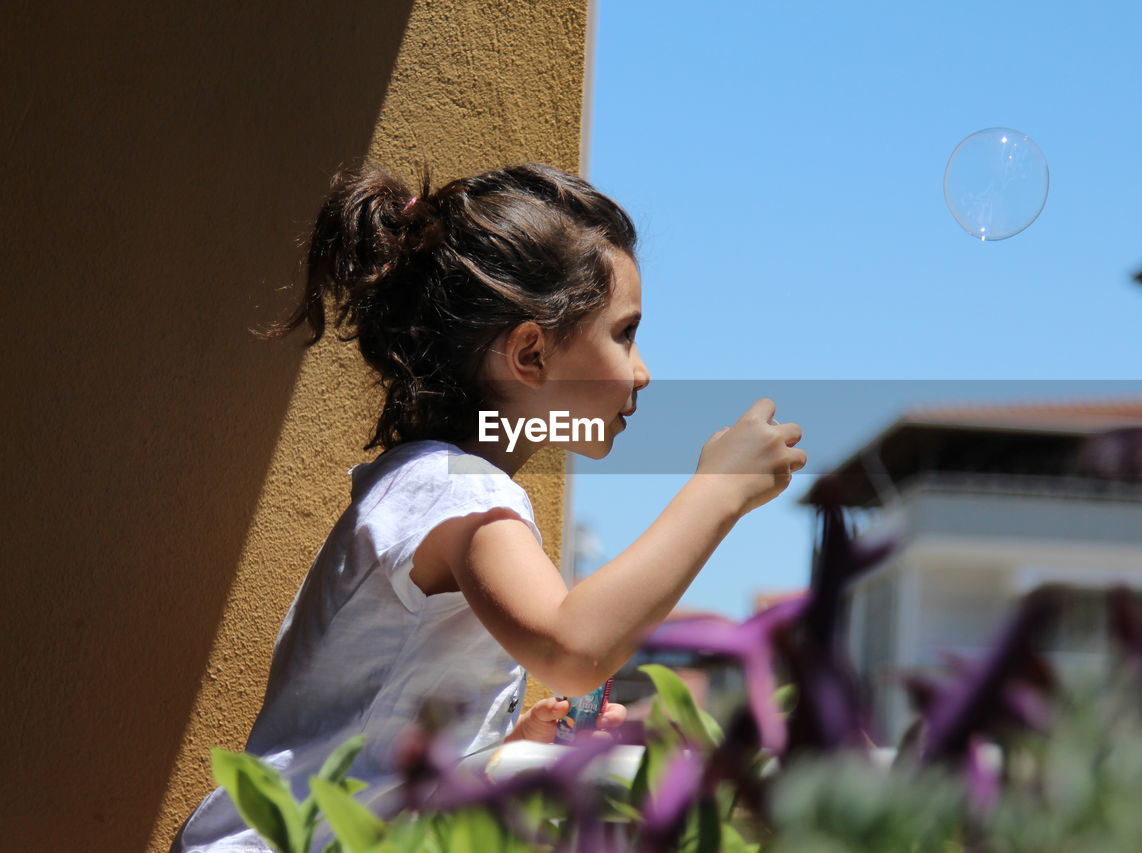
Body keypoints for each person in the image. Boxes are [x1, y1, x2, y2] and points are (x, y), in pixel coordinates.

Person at [170, 161, 805, 851]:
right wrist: (717, 491)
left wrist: (497, 752)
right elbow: (573, 646)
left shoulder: (427, 484)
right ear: (530, 355)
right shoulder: (463, 494)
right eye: (624, 333)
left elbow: (378, 739)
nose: (642, 370)